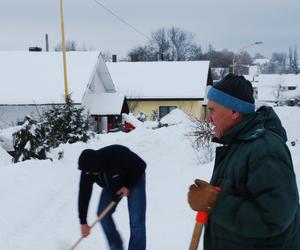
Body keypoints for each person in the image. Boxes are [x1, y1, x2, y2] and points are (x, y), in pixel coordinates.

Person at [188, 73, 300, 250]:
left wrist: (215, 203)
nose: (208, 119)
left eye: (212, 110)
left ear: (234, 112)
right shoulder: (239, 145)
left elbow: (275, 218)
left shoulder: (265, 150)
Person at [77, 144, 146, 250]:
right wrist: (83, 222)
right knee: (102, 213)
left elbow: (141, 165)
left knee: (136, 220)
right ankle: (116, 247)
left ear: (95, 165)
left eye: (88, 170)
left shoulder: (117, 154)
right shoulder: (87, 172)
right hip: (113, 184)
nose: (86, 173)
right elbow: (84, 195)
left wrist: (127, 186)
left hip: (135, 178)